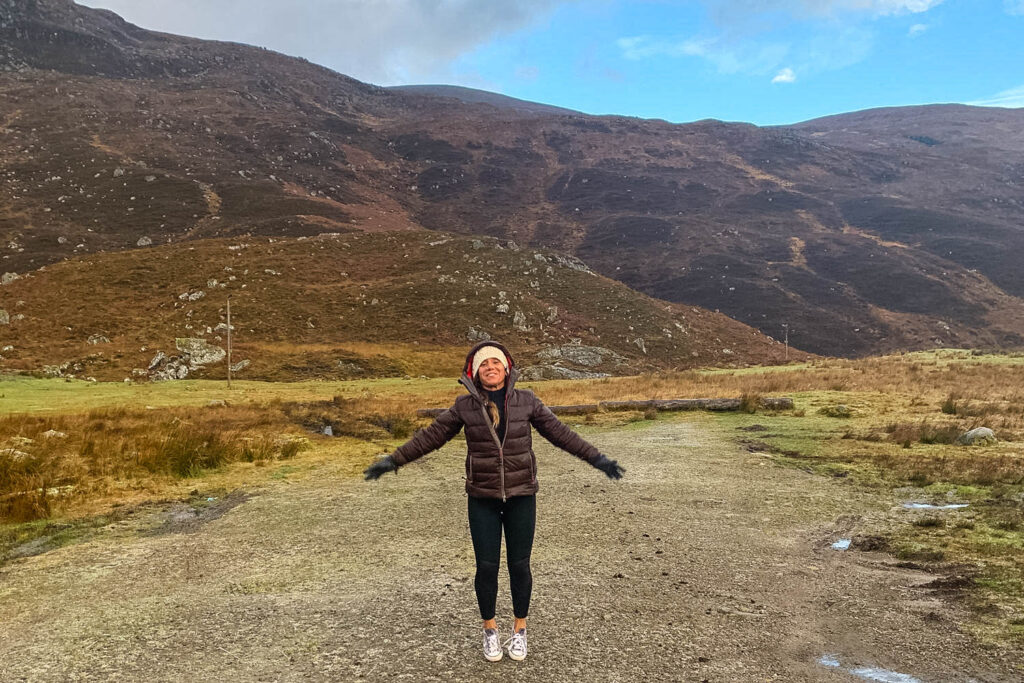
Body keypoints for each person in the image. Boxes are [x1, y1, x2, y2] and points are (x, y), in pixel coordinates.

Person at [363, 340, 625, 662]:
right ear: (474, 372)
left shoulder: (527, 401)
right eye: (483, 364)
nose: (490, 368)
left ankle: (519, 631)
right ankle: (490, 629)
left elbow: (560, 433)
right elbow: (431, 436)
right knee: (486, 568)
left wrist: (597, 459)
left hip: (521, 495)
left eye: (495, 363)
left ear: (506, 369)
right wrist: (394, 461)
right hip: (483, 498)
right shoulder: (464, 407)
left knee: (519, 566)